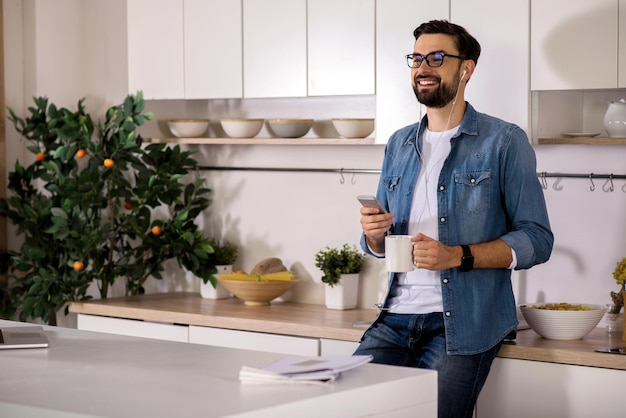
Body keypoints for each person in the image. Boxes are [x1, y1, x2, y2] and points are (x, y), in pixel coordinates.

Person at [354, 20, 553, 418]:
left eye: (437, 57)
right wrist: (374, 236)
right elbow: (381, 242)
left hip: (461, 325)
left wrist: (457, 255)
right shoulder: (398, 143)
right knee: (348, 407)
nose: (422, 67)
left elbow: (537, 239)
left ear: (466, 69)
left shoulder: (505, 141)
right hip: (393, 318)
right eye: (416, 58)